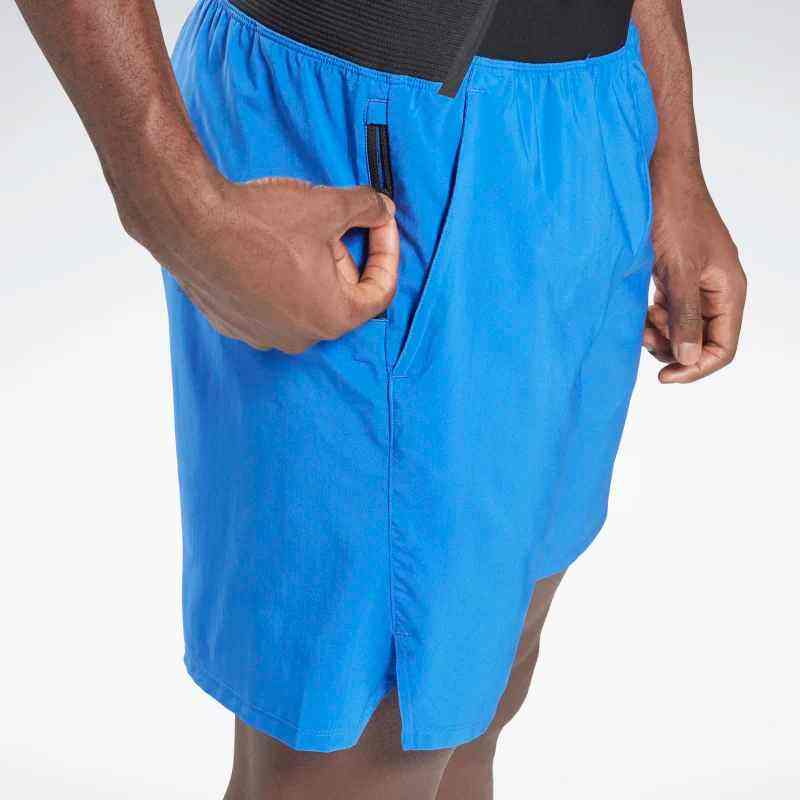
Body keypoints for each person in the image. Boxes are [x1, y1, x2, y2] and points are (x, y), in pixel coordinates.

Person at [14, 1, 746, 798]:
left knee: (480, 691)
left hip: (592, 110)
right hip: (373, 127)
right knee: (365, 750)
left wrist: (674, 157)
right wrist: (176, 207)